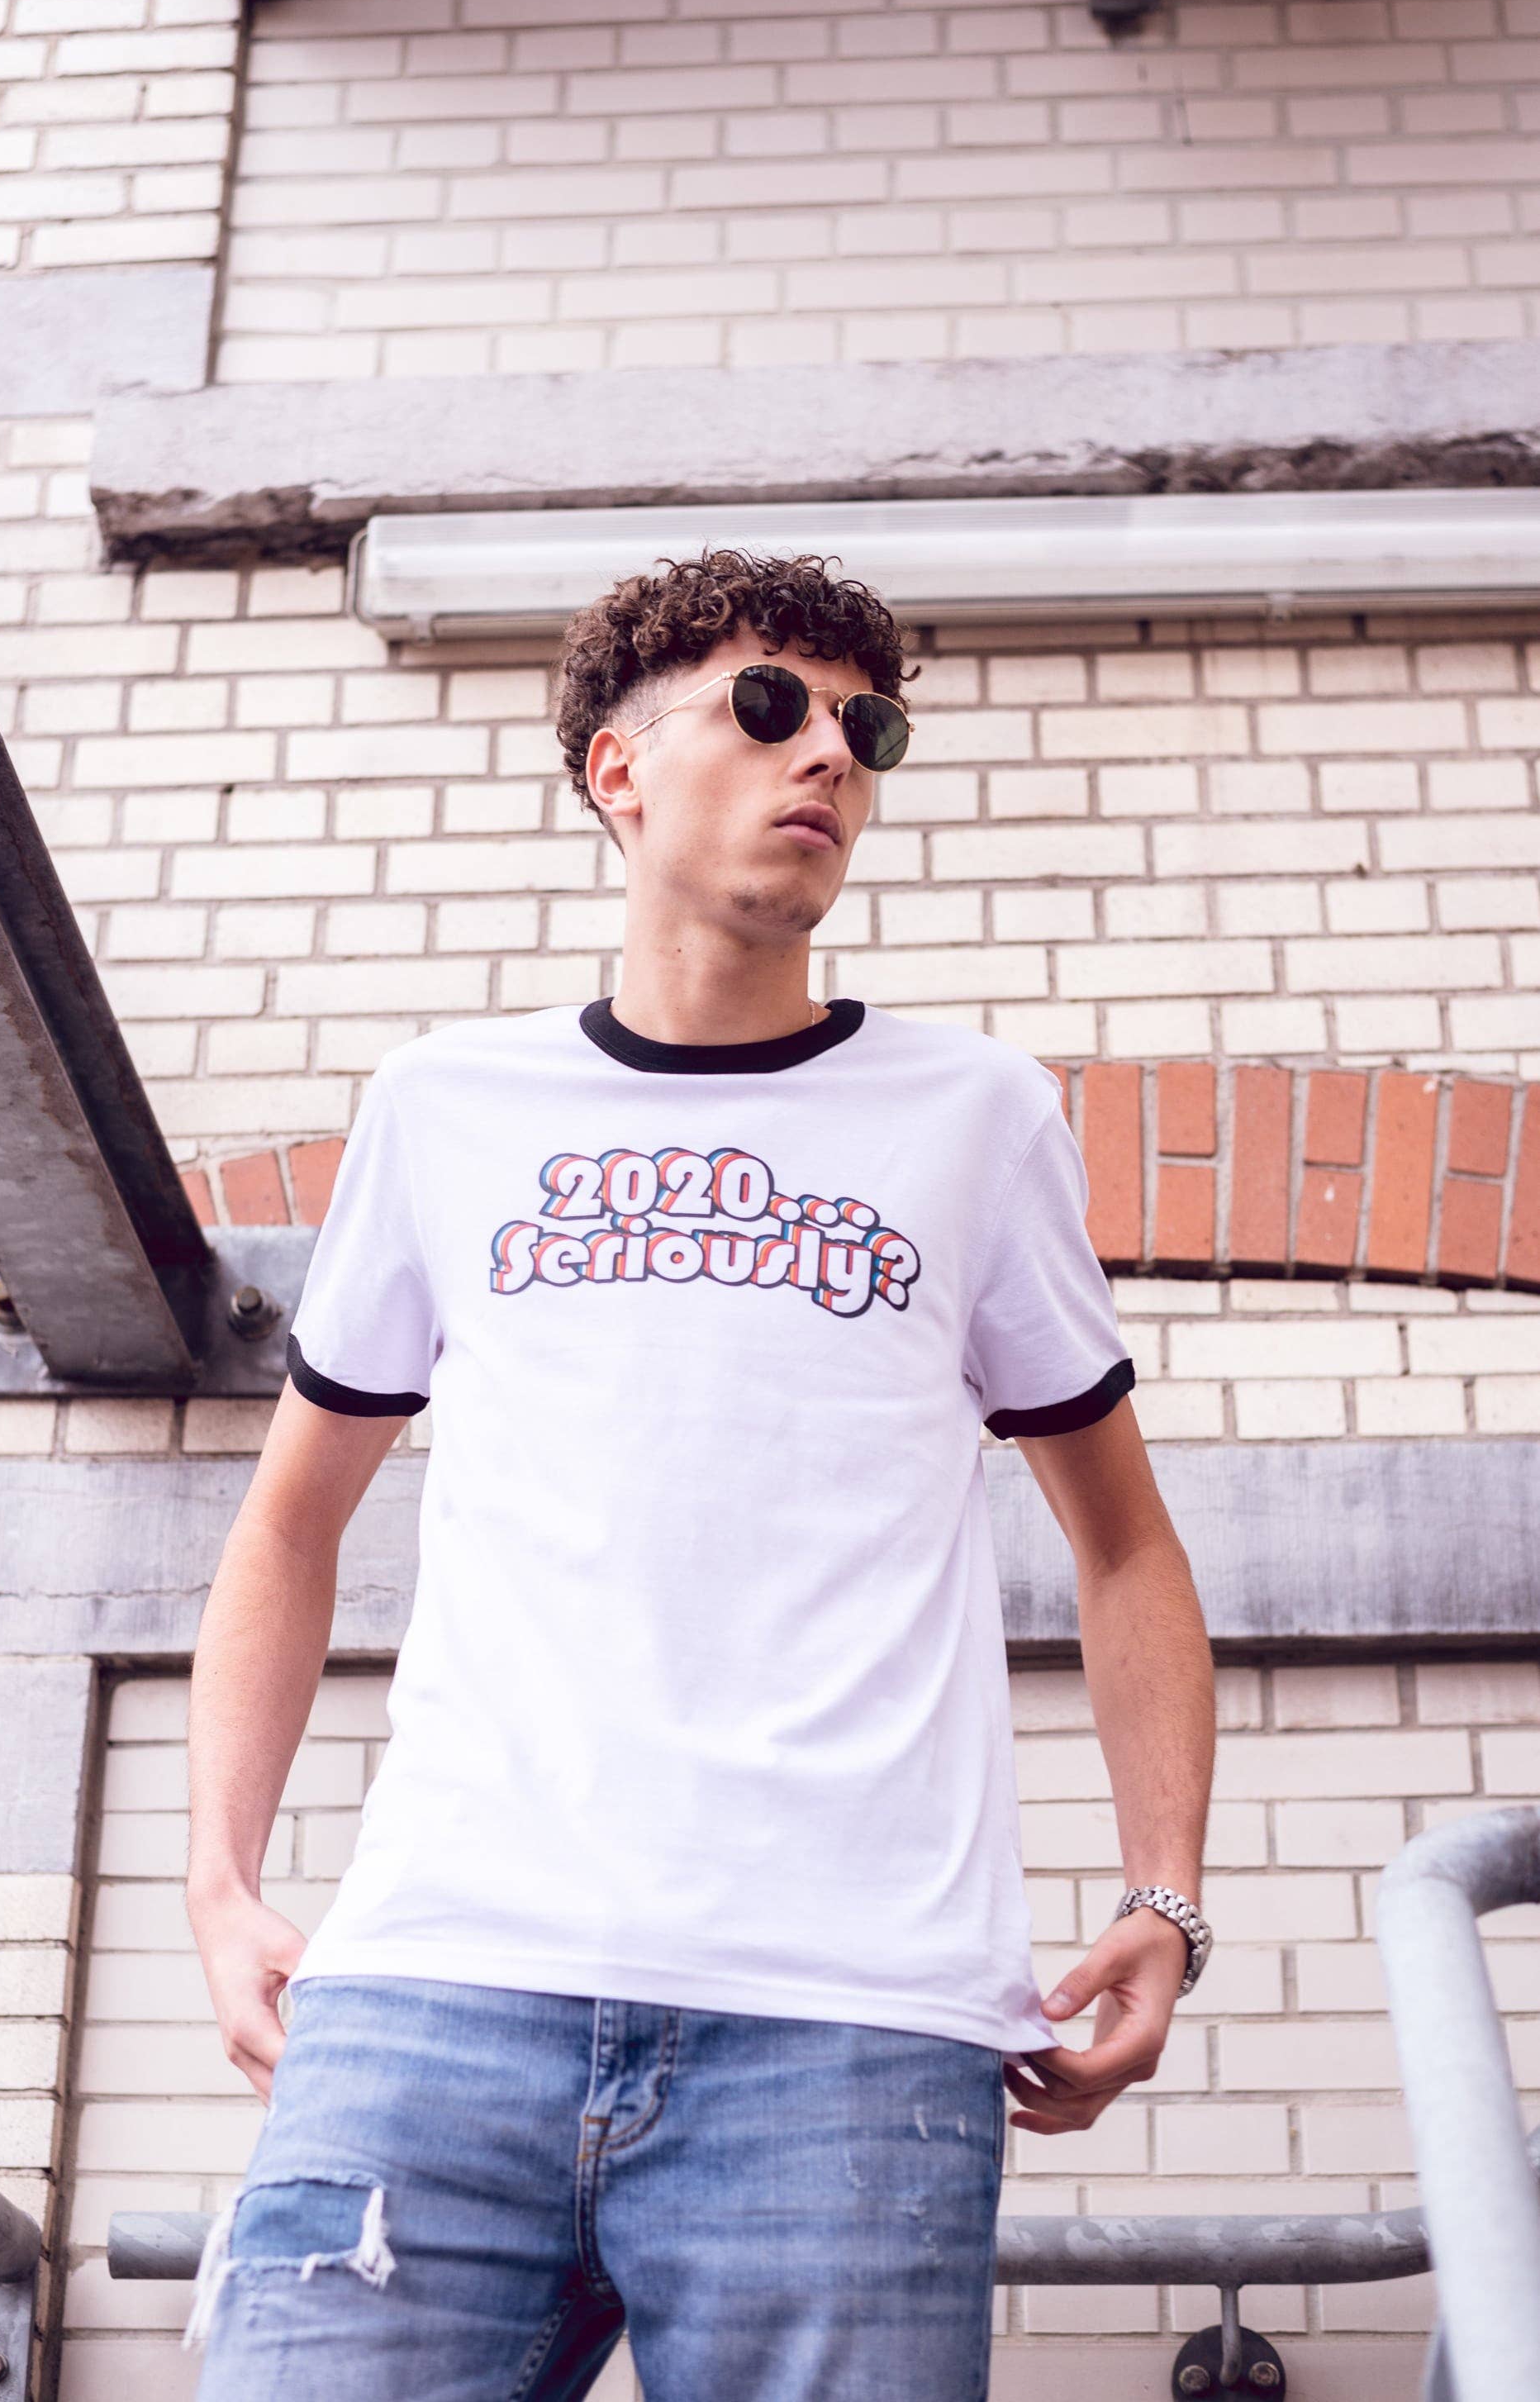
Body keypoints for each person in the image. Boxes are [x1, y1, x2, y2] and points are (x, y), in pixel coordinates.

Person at [183, 551, 1215, 2401]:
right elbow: (287, 1520)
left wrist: (1170, 1892)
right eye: (766, 705)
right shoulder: (444, 1109)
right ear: (618, 769)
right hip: (435, 2001)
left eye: (864, 728)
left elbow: (1126, 1545)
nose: (827, 753)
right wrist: (217, 1874)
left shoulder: (978, 1118)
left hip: (850, 2039)